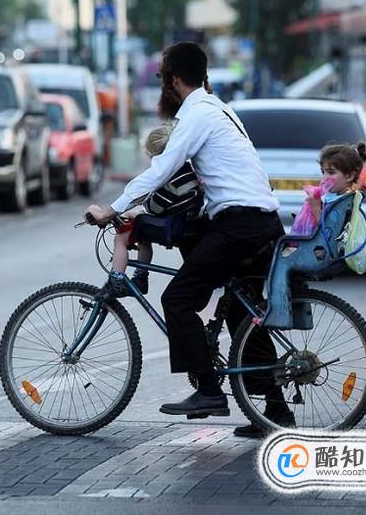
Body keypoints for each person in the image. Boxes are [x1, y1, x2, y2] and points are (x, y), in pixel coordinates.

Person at [85, 41, 292, 433]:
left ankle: (210, 391)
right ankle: (275, 411)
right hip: (263, 222)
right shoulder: (220, 108)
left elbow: (162, 170)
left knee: (177, 299)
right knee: (241, 313)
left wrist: (112, 209)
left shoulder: (196, 114)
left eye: (165, 78)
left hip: (240, 225)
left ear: (174, 80)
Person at [108, 123, 201, 295]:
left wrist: (131, 213)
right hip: (186, 220)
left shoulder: (169, 176)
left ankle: (117, 279)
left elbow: (154, 208)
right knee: (142, 230)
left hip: (176, 226)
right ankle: (140, 275)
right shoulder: (185, 170)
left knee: (123, 235)